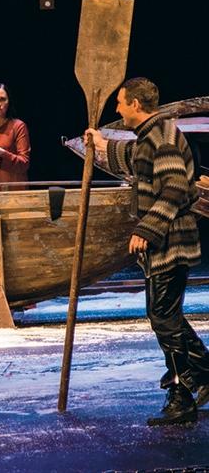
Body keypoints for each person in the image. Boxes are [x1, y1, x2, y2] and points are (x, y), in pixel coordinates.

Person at [85, 77, 209, 426]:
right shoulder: (151, 136)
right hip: (167, 243)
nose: (118, 108)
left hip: (171, 241)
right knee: (166, 316)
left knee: (163, 318)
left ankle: (182, 395)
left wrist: (146, 229)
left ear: (136, 105)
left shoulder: (162, 137)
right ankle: (202, 372)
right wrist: (101, 143)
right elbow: (134, 157)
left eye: (121, 102)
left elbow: (174, 188)